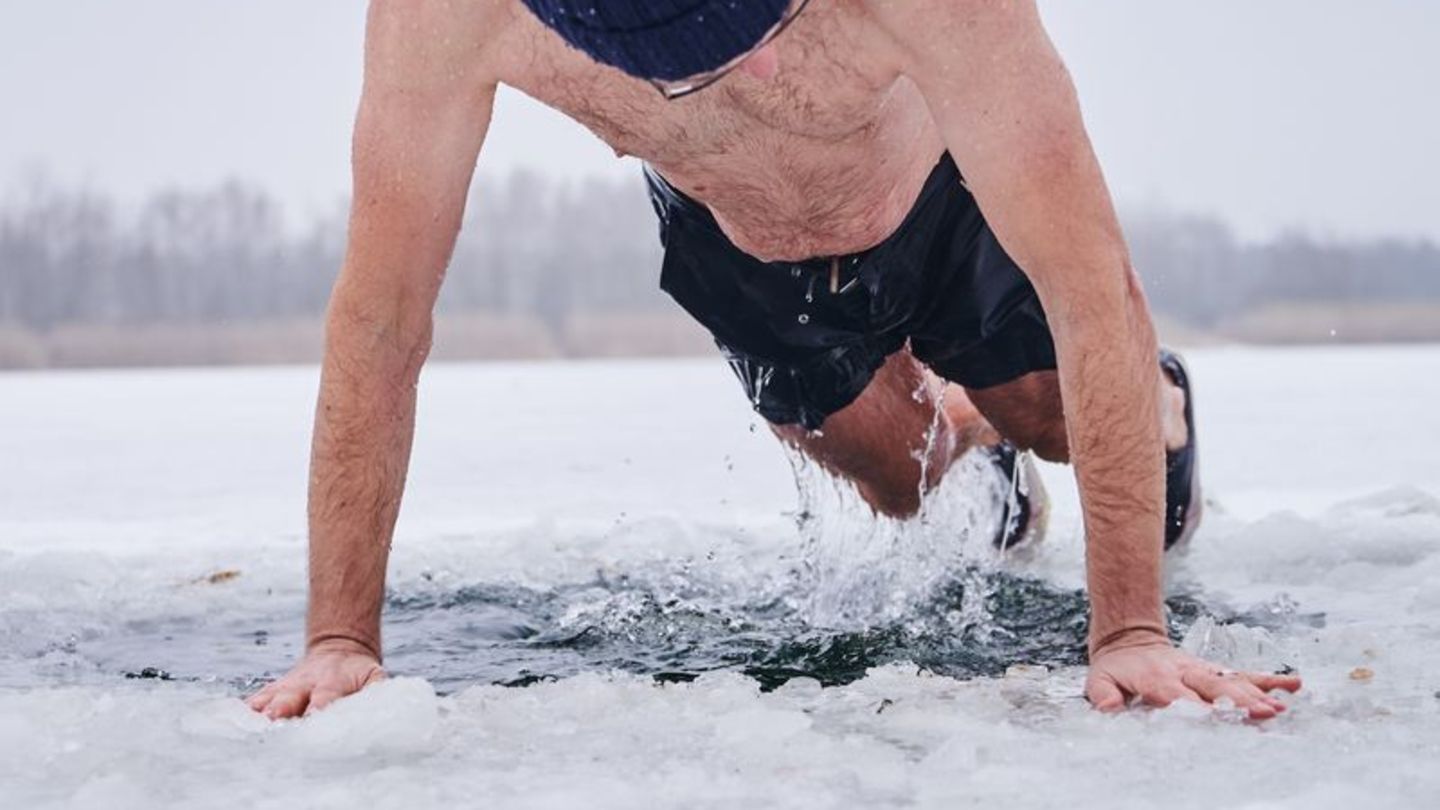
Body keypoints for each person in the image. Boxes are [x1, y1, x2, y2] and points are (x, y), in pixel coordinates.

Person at [247, 0, 1302, 720]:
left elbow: (1091, 285)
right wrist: (340, 637)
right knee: (901, 478)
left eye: (744, 37)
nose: (738, 72)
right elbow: (381, 322)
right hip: (736, 236)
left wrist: (1126, 632)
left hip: (941, 191)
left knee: (1050, 411)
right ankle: (966, 444)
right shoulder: (450, 14)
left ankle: (1150, 407)